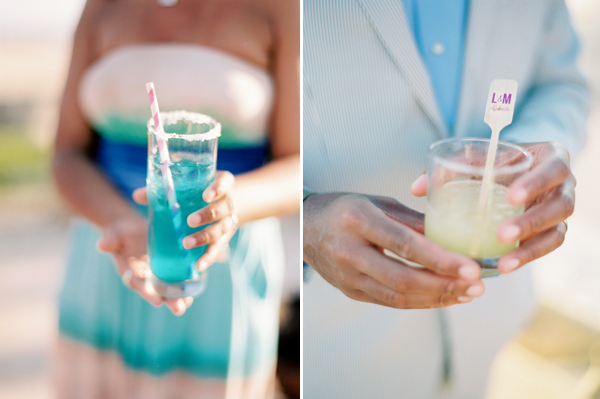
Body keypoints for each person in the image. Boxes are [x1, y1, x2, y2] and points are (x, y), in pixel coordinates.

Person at [303, 0, 589, 398]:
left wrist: (529, 153)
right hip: (334, 343)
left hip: (490, 315)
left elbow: (560, 81)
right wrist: (305, 217)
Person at [52, 0, 299, 397]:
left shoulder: (283, 8)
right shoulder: (100, 6)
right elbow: (66, 154)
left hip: (220, 263)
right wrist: (123, 222)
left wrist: (230, 205)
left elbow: (299, 165)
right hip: (108, 253)